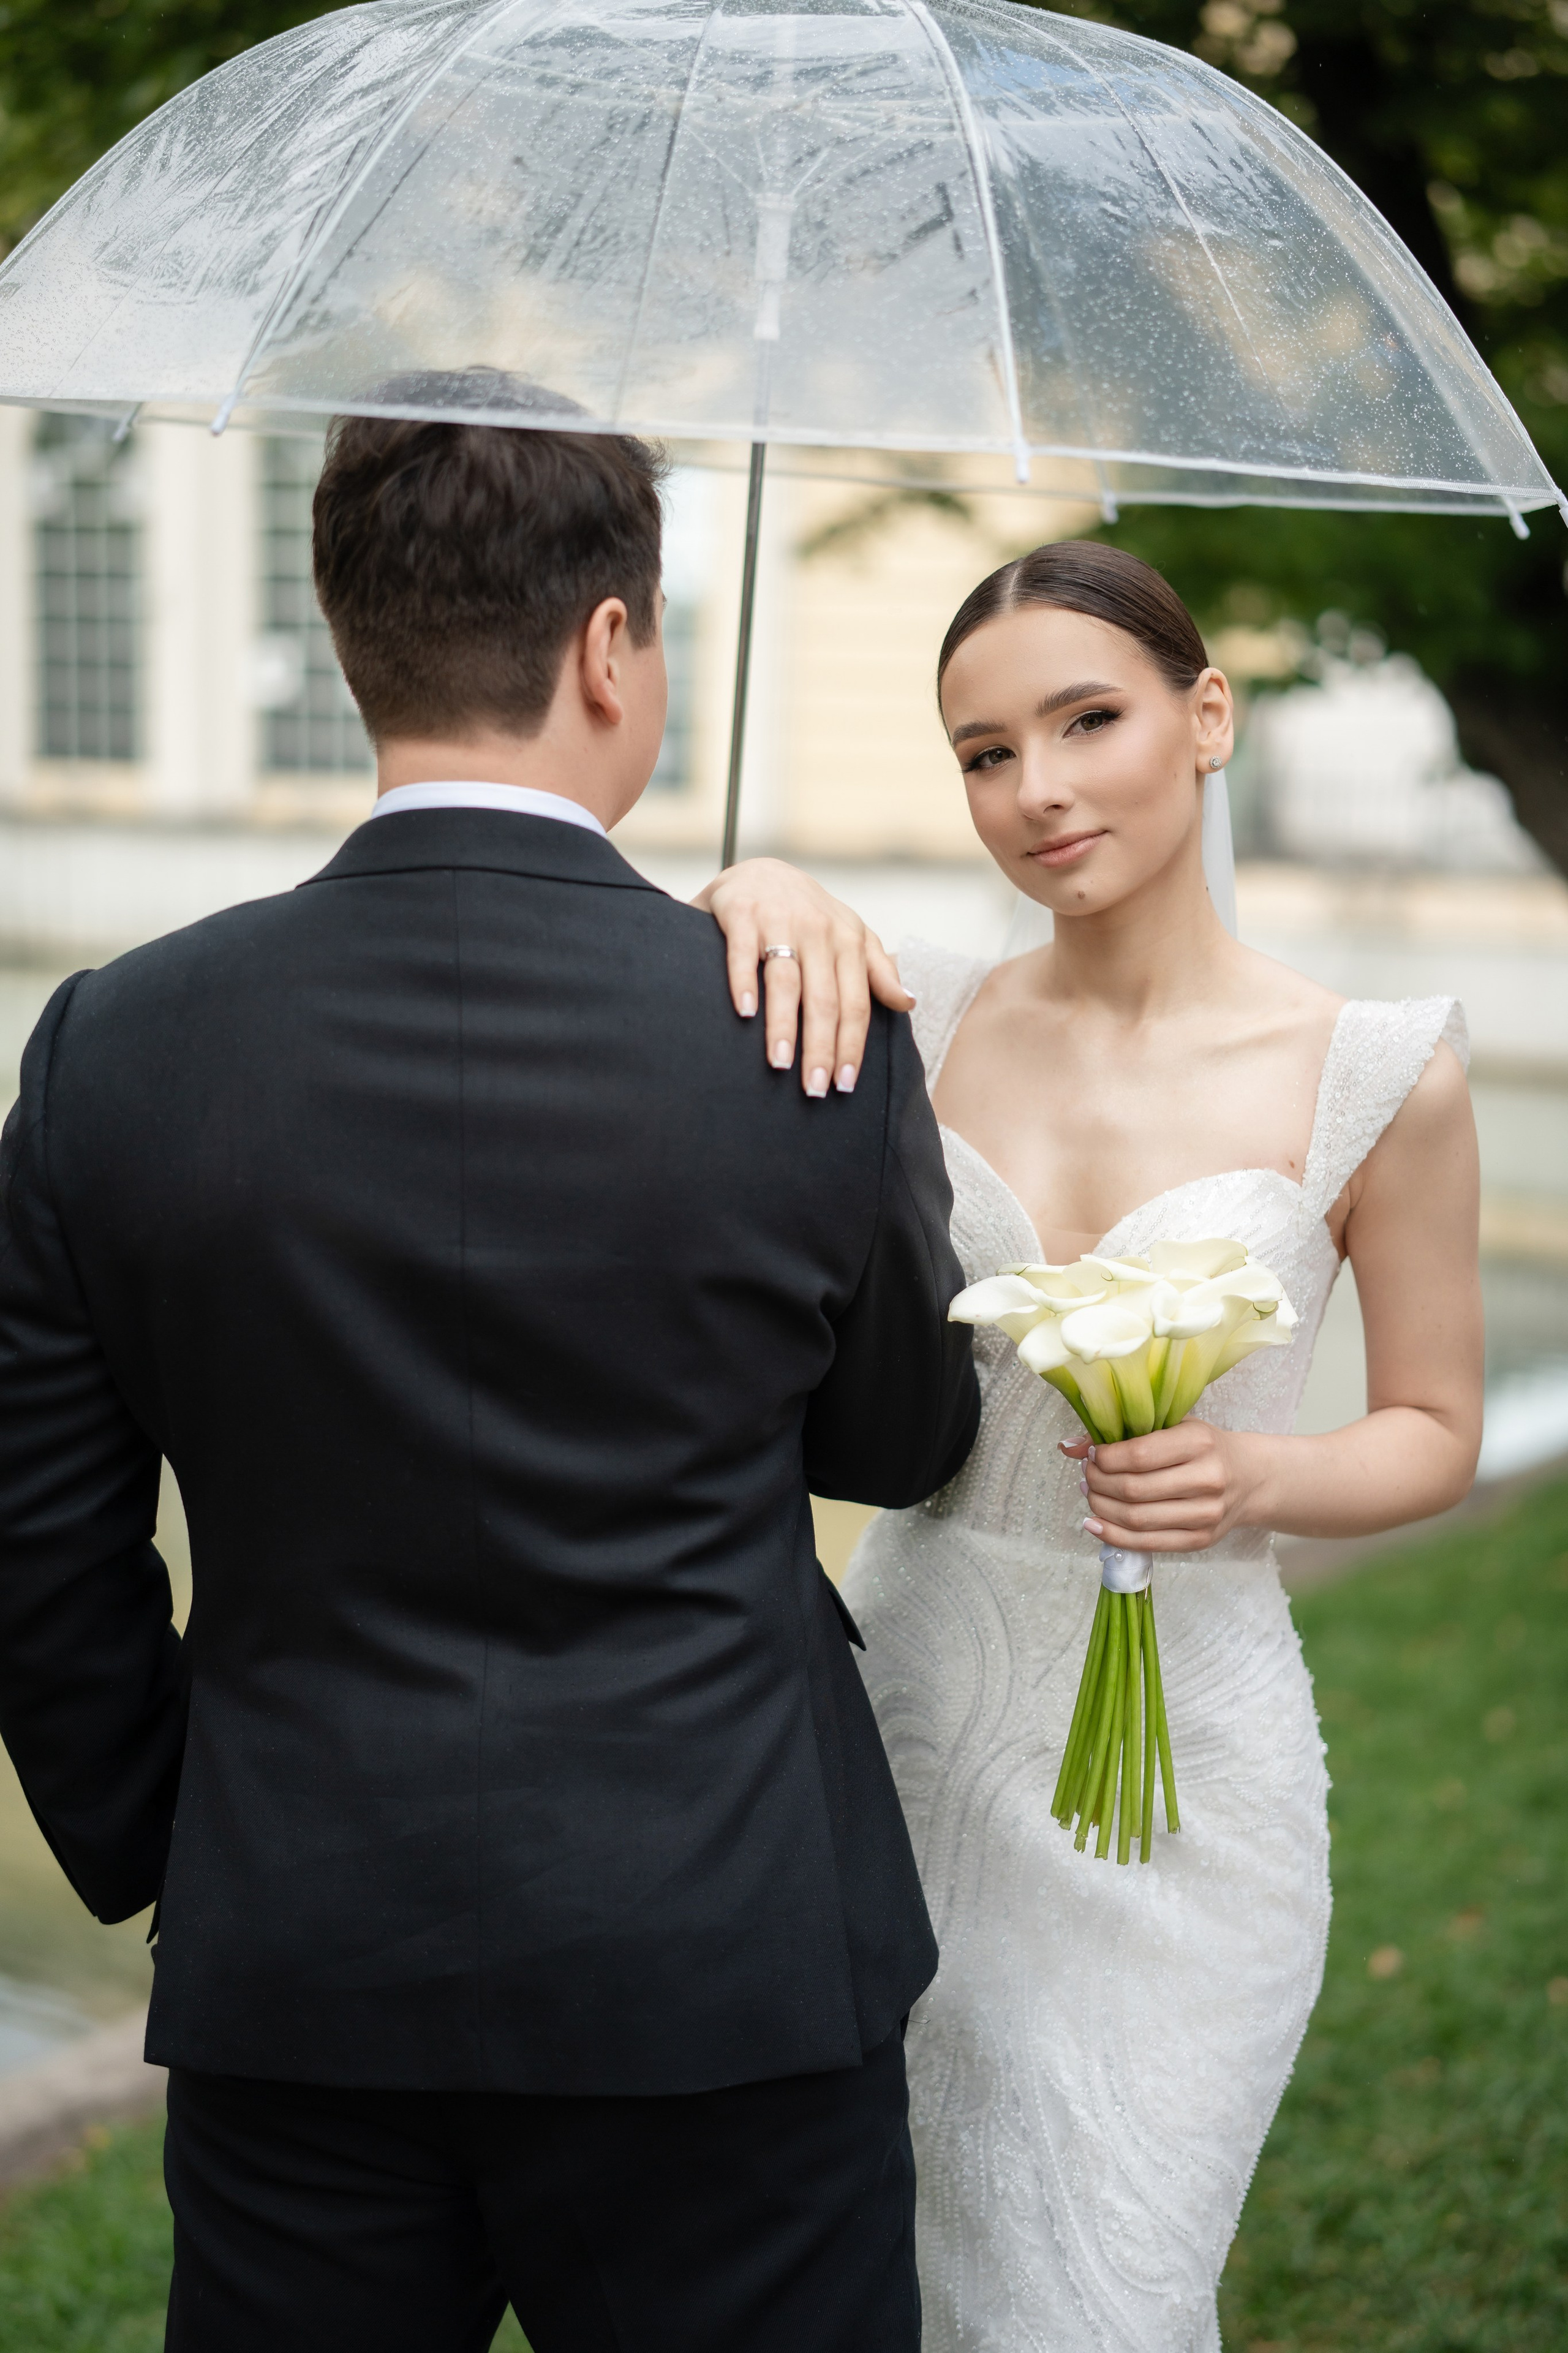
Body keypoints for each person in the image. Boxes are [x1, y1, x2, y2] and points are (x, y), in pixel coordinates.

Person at [0, 404, 981, 2353]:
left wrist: (176, 1835)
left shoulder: (112, 1045)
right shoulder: (801, 1034)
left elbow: (41, 1539)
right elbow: (903, 1434)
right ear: (612, 648)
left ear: (352, 629)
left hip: (300, 1950)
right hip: (727, 1954)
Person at [701, 541, 1483, 2353]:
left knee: (1101, 2295)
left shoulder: (1377, 1068)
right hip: (912, 1727)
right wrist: (750, 880)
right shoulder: (925, 1017)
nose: (1035, 790)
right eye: (984, 752)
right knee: (883, 2280)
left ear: (1205, 717)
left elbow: (1439, 1428)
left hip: (1190, 1791)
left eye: (1086, 720)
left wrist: (1258, 1477)